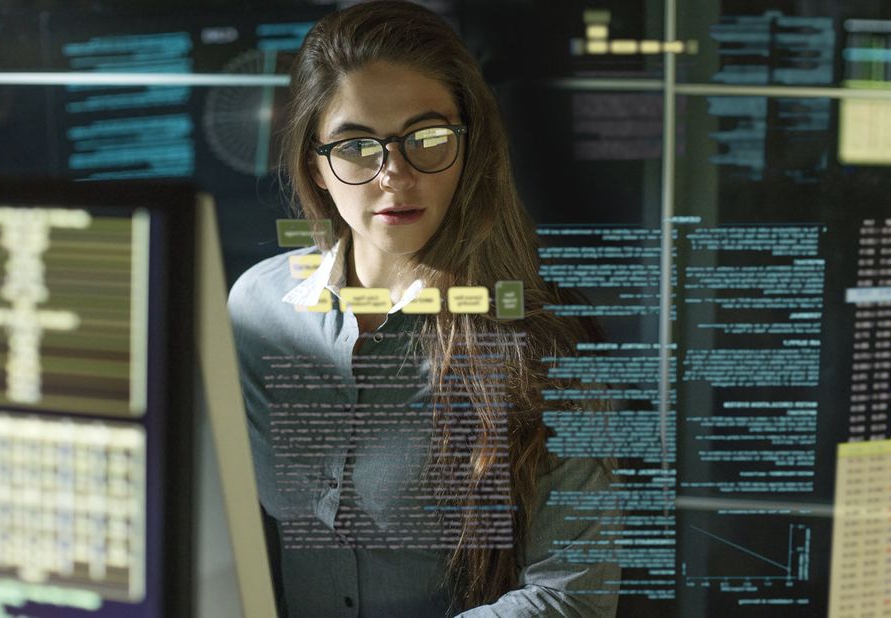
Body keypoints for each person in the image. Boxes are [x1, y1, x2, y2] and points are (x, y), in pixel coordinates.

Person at [228, 1, 619, 615]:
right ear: (316, 165)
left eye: (428, 137)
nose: (394, 175)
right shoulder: (256, 312)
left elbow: (572, 599)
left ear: (470, 149)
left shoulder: (547, 337)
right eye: (356, 144)